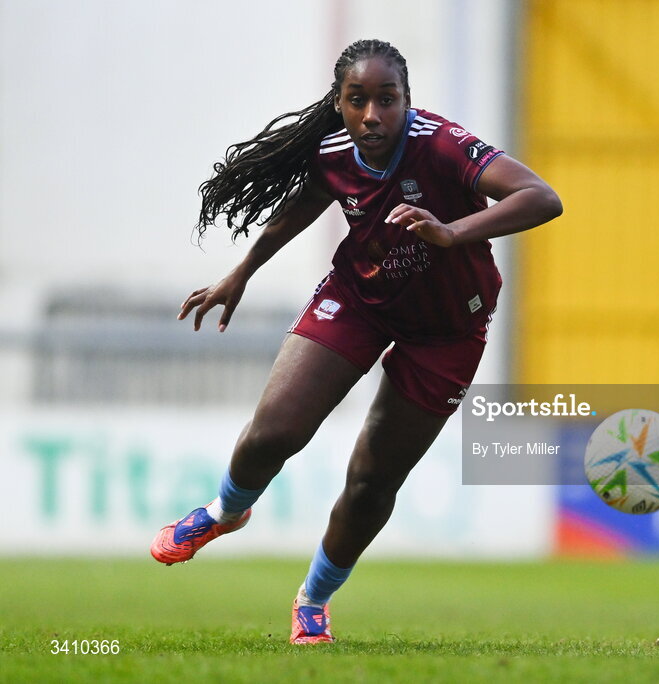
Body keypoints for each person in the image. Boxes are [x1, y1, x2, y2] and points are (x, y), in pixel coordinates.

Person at [149, 39, 561, 644]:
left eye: (387, 100)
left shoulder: (443, 145)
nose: (373, 115)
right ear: (339, 104)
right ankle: (223, 514)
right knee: (274, 431)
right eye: (358, 100)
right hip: (360, 300)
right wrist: (242, 273)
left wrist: (452, 231)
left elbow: (542, 197)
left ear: (408, 103)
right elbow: (302, 206)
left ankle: (313, 600)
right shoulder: (334, 153)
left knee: (371, 481)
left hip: (448, 329)